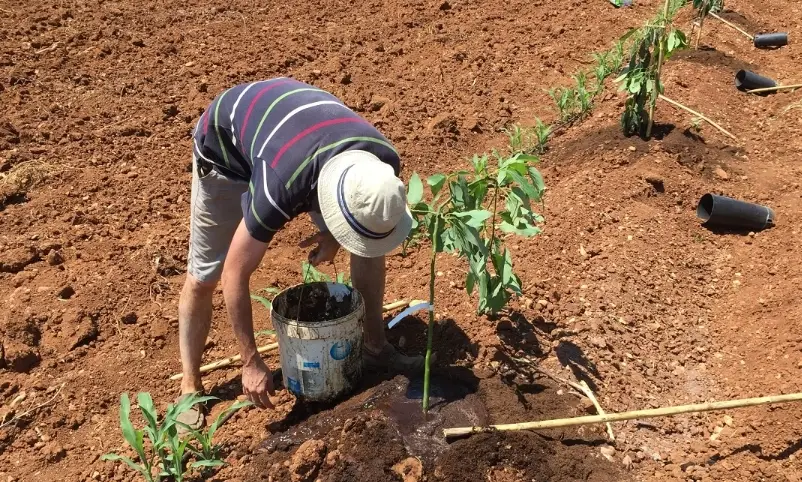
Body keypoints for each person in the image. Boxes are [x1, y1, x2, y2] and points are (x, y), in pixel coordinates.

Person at [177, 77, 423, 430]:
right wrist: (251, 361)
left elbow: (358, 216)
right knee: (205, 277)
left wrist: (335, 235)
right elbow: (235, 273)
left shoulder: (383, 166)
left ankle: (375, 346)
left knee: (368, 249)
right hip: (224, 149)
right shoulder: (280, 187)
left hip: (301, 136)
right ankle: (189, 386)